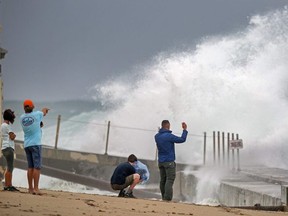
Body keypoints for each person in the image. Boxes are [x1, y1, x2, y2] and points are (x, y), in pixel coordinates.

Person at [20, 99, 49, 195]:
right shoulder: (37, 114)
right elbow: (43, 112)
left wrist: (39, 124)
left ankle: (30, 188)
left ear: (24, 108)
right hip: (36, 144)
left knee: (30, 167)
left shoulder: (22, 118)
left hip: (27, 144)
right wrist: (45, 109)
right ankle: (36, 188)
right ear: (32, 106)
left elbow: (32, 125)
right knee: (37, 167)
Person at [154, 120, 188, 201]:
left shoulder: (156, 136)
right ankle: (167, 199)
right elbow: (182, 139)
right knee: (169, 179)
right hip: (169, 161)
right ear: (168, 126)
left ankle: (163, 197)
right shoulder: (169, 136)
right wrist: (184, 130)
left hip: (161, 162)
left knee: (163, 180)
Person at [1, 109, 19, 191]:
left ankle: (7, 185)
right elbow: (12, 136)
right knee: (10, 167)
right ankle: (9, 185)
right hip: (9, 147)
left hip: (4, 147)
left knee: (8, 167)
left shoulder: (2, 125)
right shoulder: (7, 126)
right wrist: (14, 135)